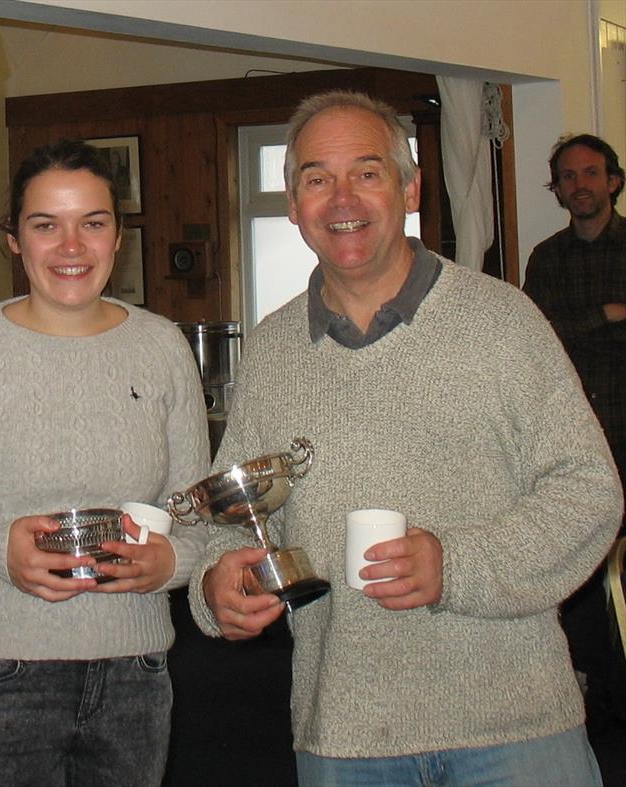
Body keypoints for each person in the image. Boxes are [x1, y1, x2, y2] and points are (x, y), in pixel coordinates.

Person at [187, 91, 623, 787]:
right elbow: (234, 516)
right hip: (344, 736)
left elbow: (590, 492)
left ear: (411, 186)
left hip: (516, 729)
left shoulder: (504, 322)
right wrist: (218, 586)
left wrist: (455, 564)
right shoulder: (271, 351)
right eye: (316, 179)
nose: (341, 199)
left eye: (367, 171)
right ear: (294, 203)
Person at [0, 138, 210, 786]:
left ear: (118, 236)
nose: (71, 246)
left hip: (134, 672)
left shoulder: (162, 346)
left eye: (93, 222)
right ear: (14, 241)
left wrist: (173, 560)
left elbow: (191, 512)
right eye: (45, 225)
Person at [523, 133, 626, 734]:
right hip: (570, 441)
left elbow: (562, 337)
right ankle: (595, 695)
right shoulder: (546, 259)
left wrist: (578, 330)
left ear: (613, 180)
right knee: (580, 572)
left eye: (591, 173)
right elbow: (540, 347)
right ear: (557, 189)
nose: (580, 184)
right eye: (568, 176)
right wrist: (611, 316)